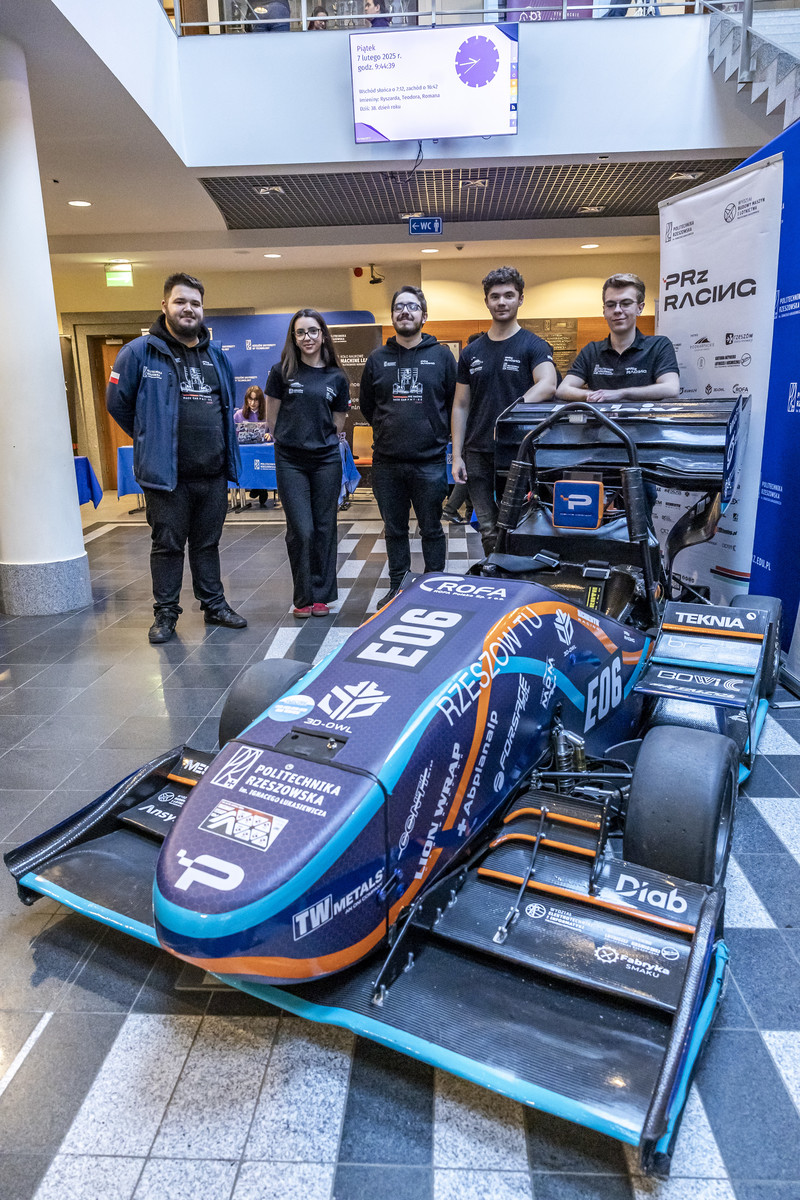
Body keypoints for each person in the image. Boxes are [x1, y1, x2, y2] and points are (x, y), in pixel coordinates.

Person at [107, 273, 247, 644]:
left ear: (203, 309)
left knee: (207, 544)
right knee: (167, 546)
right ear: (165, 305)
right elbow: (118, 404)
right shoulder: (139, 352)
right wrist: (150, 438)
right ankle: (166, 614)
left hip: (212, 473)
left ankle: (214, 605)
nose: (188, 309)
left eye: (195, 303)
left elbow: (225, 406)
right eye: (180, 301)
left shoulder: (217, 356)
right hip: (166, 477)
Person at [360, 286, 456, 608]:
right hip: (387, 464)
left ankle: (435, 588)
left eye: (412, 307)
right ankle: (398, 588)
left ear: (424, 316)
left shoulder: (442, 357)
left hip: (429, 462)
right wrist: (389, 428)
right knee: (395, 530)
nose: (405, 311)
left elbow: (454, 403)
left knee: (432, 529)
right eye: (399, 306)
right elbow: (368, 406)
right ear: (392, 315)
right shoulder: (377, 359)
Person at [451, 267, 557, 555]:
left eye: (509, 295)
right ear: (486, 301)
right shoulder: (471, 352)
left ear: (520, 299)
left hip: (519, 451)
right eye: (495, 296)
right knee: (487, 528)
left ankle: (516, 576)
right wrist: (457, 456)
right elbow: (460, 405)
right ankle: (494, 573)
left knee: (519, 525)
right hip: (477, 452)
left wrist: (509, 413)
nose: (501, 302)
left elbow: (548, 383)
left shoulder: (534, 345)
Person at [266, 309, 350, 617]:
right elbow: (272, 420)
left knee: (325, 527)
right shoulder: (281, 372)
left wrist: (318, 439)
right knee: (301, 529)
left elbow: (338, 423)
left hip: (326, 460)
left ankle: (321, 596)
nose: (307, 337)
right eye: (300, 332)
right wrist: (294, 438)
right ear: (294, 337)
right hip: (291, 460)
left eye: (313, 331)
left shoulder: (337, 377)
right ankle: (302, 596)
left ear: (323, 334)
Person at [556, 272, 679, 405]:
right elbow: (563, 389)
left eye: (626, 303)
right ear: (604, 311)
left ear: (640, 308)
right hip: (601, 419)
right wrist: (597, 396)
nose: (617, 310)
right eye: (611, 305)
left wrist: (621, 394)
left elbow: (671, 388)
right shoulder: (591, 351)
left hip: (644, 419)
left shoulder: (659, 345)